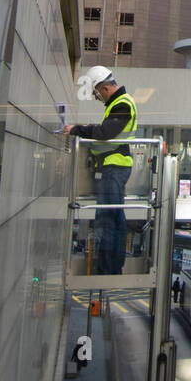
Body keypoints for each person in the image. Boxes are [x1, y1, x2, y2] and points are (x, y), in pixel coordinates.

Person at [64, 67, 137, 275]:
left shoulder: (122, 104)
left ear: (105, 88)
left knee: (108, 218)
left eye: (97, 93)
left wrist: (78, 130)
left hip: (115, 167)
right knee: (113, 217)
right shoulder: (118, 104)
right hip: (114, 167)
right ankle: (113, 267)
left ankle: (108, 270)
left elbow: (105, 132)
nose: (97, 98)